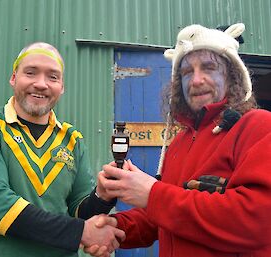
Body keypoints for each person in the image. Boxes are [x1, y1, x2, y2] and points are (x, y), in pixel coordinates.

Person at [85, 23, 271, 257]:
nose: (196, 80)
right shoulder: (179, 143)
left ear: (232, 76)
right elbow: (164, 217)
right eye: (186, 72)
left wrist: (152, 194)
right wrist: (116, 228)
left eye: (208, 67)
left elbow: (258, 221)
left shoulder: (258, 126)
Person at [0, 42, 125, 257]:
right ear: (13, 78)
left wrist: (103, 196)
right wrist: (82, 233)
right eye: (30, 73)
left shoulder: (72, 139)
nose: (41, 84)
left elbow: (79, 212)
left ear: (61, 86)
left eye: (52, 77)